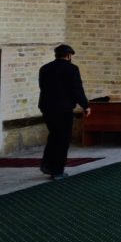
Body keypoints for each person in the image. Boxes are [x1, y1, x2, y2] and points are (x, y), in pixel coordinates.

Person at [38, 44, 90, 180]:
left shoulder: (45, 68)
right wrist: (85, 105)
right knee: (63, 139)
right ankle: (57, 170)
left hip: (47, 107)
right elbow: (77, 89)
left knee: (54, 135)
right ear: (68, 55)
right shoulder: (72, 69)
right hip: (63, 108)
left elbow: (42, 87)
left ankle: (48, 165)